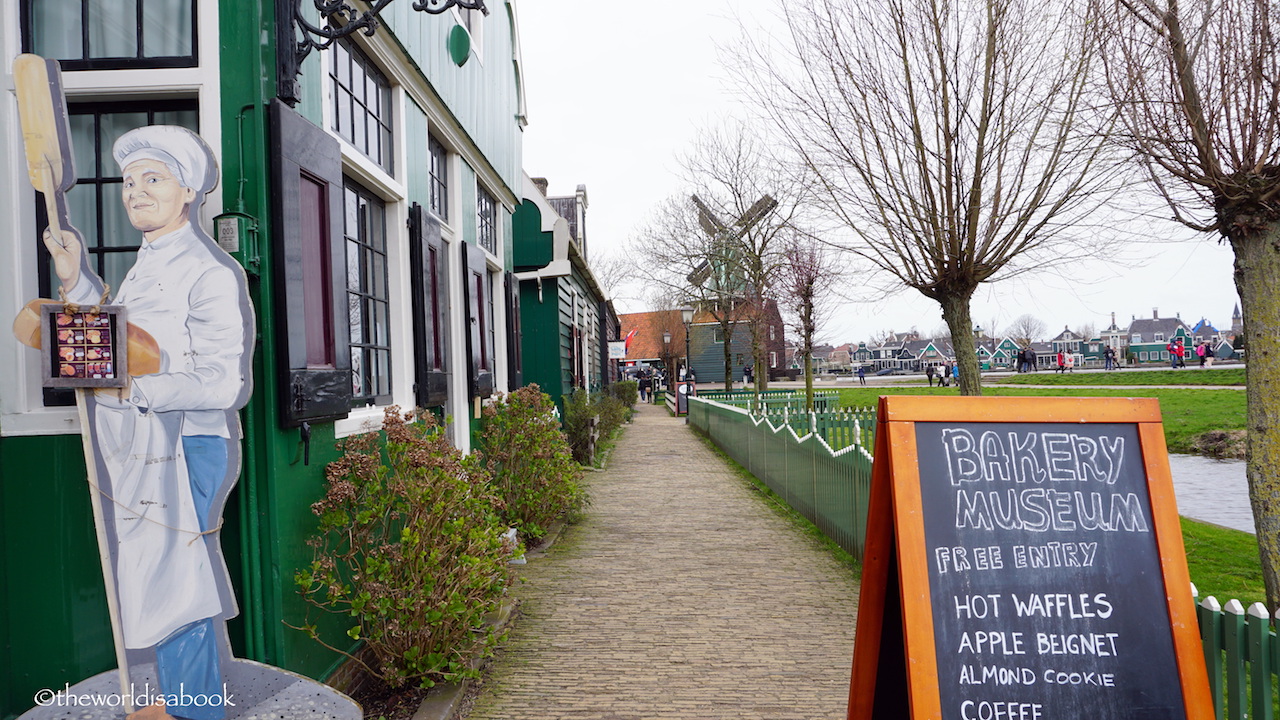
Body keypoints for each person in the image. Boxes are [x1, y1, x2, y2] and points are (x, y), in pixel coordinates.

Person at [43, 126, 252, 720]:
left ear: (187, 191)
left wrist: (136, 388)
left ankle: (196, 709)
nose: (134, 192)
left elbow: (224, 382)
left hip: (188, 443)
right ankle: (185, 700)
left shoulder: (210, 273)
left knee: (176, 582)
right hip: (143, 442)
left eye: (152, 180)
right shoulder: (147, 262)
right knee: (157, 574)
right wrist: (74, 276)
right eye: (130, 183)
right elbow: (116, 336)